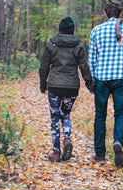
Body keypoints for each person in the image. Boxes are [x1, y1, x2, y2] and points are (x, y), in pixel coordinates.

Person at [88, 0, 123, 168]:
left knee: (100, 115)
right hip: (120, 78)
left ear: (105, 13)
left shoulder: (96, 30)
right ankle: (118, 141)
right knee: (120, 113)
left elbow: (91, 60)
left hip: (102, 78)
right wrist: (122, 55)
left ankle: (100, 154)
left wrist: (93, 80)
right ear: (120, 14)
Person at [39, 16, 94, 162]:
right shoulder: (78, 45)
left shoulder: (52, 44)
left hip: (55, 86)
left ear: (60, 30)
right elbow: (84, 67)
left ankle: (56, 152)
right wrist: (90, 85)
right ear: (72, 30)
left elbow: (44, 66)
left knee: (55, 117)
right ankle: (67, 138)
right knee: (66, 114)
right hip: (71, 87)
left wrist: (42, 84)